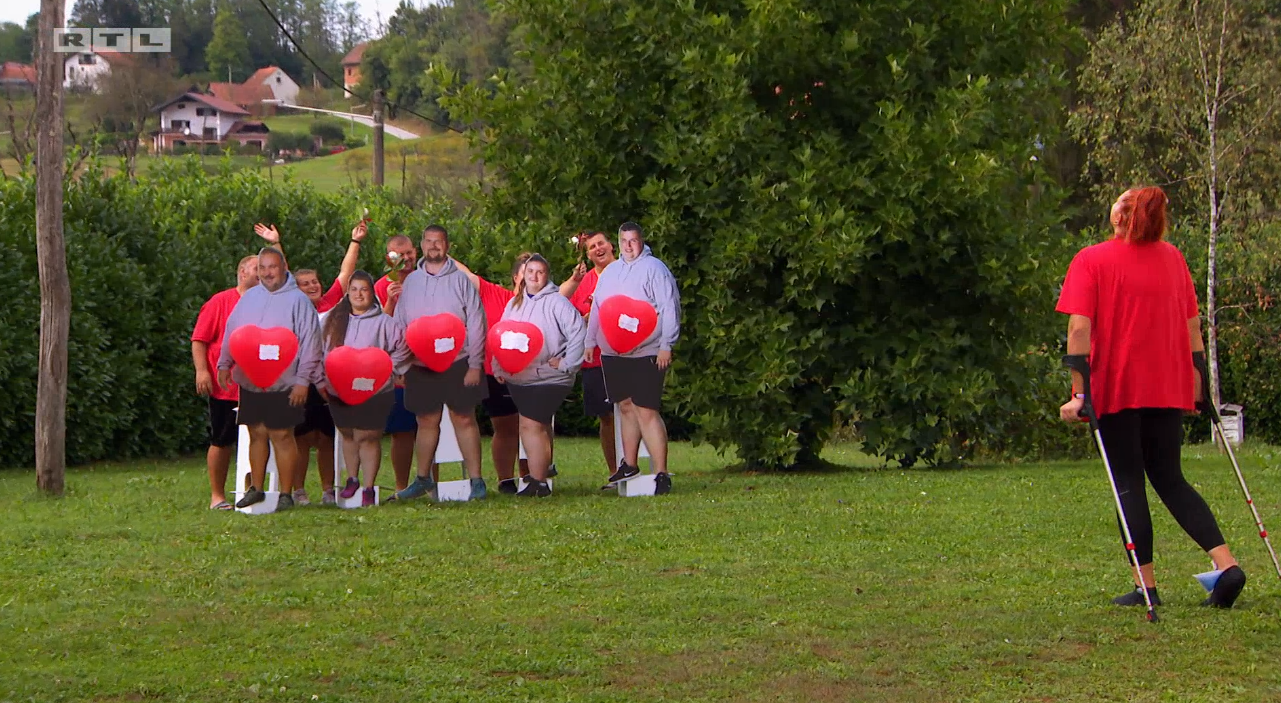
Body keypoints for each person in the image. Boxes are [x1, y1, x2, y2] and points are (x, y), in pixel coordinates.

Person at [1057, 186, 1246, 609]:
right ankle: (1227, 566)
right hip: (1169, 384)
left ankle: (1147, 588)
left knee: (1128, 481)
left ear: (1122, 216)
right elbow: (1193, 327)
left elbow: (1078, 330)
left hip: (1119, 386)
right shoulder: (1173, 258)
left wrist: (1078, 392)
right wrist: (1198, 387)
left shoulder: (1091, 260)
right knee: (1170, 477)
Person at [254, 222, 367, 505]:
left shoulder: (331, 303)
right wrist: (276, 243)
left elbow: (345, 273)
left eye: (314, 282)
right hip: (299, 380)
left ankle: (329, 490)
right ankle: (298, 490)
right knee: (301, 438)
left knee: (326, 438)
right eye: (305, 284)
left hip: (328, 381)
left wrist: (355, 241)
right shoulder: (292, 305)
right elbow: (284, 274)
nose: (312, 286)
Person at [217, 247, 323, 511]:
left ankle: (286, 493)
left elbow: (311, 343)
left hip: (286, 382)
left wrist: (303, 381)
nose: (266, 273)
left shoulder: (299, 301)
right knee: (256, 433)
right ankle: (257, 488)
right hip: (252, 380)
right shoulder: (249, 298)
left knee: (282, 435)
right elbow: (233, 331)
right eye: (262, 268)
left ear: (283, 268)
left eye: (271, 267)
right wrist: (224, 363)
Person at [455, 252, 567, 494]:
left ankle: (533, 477)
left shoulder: (546, 302)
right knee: (506, 428)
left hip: (534, 374)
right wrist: (438, 252)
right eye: (525, 273)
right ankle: (505, 480)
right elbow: (466, 274)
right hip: (497, 374)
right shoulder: (493, 294)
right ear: (515, 277)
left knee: (536, 424)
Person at [392, 225, 489, 500]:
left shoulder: (460, 280)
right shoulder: (411, 282)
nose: (434, 246)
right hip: (420, 364)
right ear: (422, 245)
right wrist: (399, 365)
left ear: (447, 246)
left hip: (459, 362)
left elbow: (476, 320)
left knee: (464, 418)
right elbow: (401, 324)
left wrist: (475, 363)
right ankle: (423, 479)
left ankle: (477, 482)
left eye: (439, 242)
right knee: (426, 420)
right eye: (429, 242)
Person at [585, 222, 680, 494]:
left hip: (646, 350)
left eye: (633, 240)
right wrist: (591, 340)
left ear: (641, 241)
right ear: (619, 241)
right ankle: (629, 462)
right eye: (624, 240)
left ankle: (661, 472)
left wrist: (666, 345)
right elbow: (599, 308)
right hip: (614, 351)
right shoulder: (611, 273)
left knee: (646, 408)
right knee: (624, 406)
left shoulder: (655, 269)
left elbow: (669, 307)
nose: (629, 246)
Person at [493, 255, 586, 497]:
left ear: (547, 275)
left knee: (531, 424)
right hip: (521, 377)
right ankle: (539, 480)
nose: (534, 276)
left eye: (540, 271)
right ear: (522, 275)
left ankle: (537, 481)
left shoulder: (557, 303)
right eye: (530, 271)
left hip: (550, 378)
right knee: (534, 426)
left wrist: (568, 363)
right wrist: (499, 365)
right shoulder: (514, 304)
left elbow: (578, 332)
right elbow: (501, 335)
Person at [321, 271, 412, 507]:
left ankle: (369, 487)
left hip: (375, 390)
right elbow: (321, 351)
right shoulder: (333, 320)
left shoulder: (385, 322)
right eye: (354, 290)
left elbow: (401, 349)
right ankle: (352, 478)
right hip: (339, 388)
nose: (359, 294)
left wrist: (387, 370)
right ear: (348, 293)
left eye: (364, 289)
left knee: (367, 436)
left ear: (372, 293)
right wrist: (322, 379)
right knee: (349, 434)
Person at [191, 254, 259, 510]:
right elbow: (199, 339)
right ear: (242, 272)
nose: (262, 273)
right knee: (222, 439)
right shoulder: (220, 302)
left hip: (259, 386)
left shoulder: (268, 304)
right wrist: (202, 371)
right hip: (225, 387)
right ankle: (217, 496)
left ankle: (252, 491)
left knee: (258, 439)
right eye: (256, 268)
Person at [560, 230, 620, 484]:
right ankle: (615, 471)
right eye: (592, 247)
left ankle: (639, 465)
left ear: (611, 246)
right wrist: (584, 320)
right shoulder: (585, 281)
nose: (598, 249)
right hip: (594, 357)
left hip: (625, 354)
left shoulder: (628, 272)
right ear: (587, 254)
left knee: (634, 411)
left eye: (601, 243)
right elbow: (568, 313)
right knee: (605, 416)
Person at [375, 234, 421, 491]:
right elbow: (376, 329)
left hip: (428, 364)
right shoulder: (382, 285)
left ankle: (430, 481)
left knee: (430, 426)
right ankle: (401, 486)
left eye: (409, 253)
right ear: (388, 258)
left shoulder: (428, 280)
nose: (405, 259)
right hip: (398, 369)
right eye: (398, 255)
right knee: (402, 431)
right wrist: (390, 301)